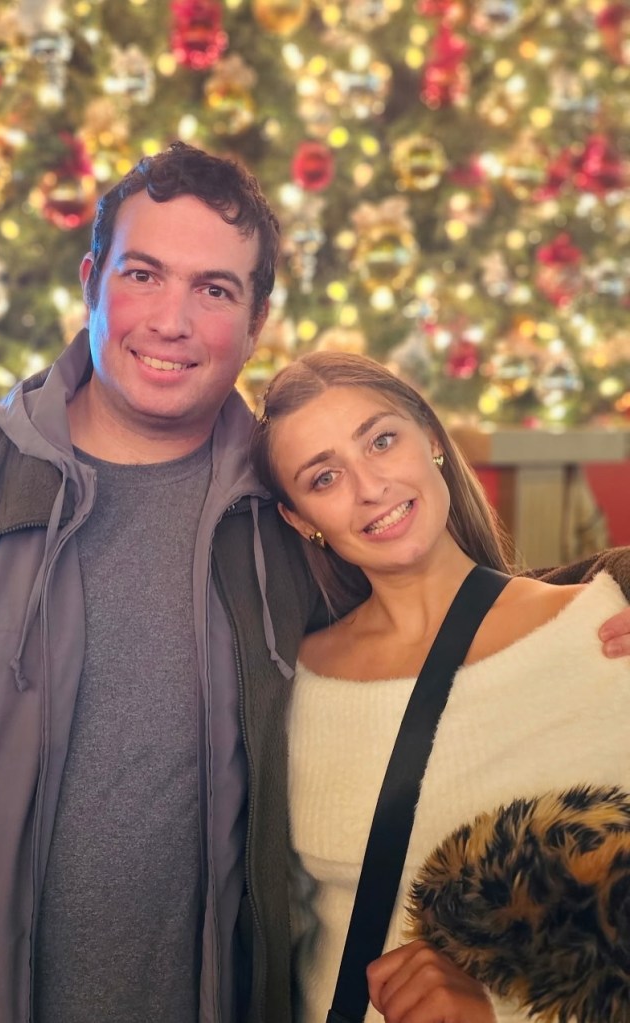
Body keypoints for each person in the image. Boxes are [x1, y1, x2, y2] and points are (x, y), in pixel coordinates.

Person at [0, 142, 629, 1023]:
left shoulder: (277, 512)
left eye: (215, 290)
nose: (173, 320)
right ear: (91, 280)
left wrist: (614, 583)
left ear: (257, 319)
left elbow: (434, 601)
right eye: (144, 274)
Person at [250, 350, 630, 1023]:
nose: (370, 487)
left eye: (381, 440)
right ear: (299, 518)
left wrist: (497, 1013)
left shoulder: (602, 631)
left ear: (431, 437)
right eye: (325, 476)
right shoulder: (284, 688)